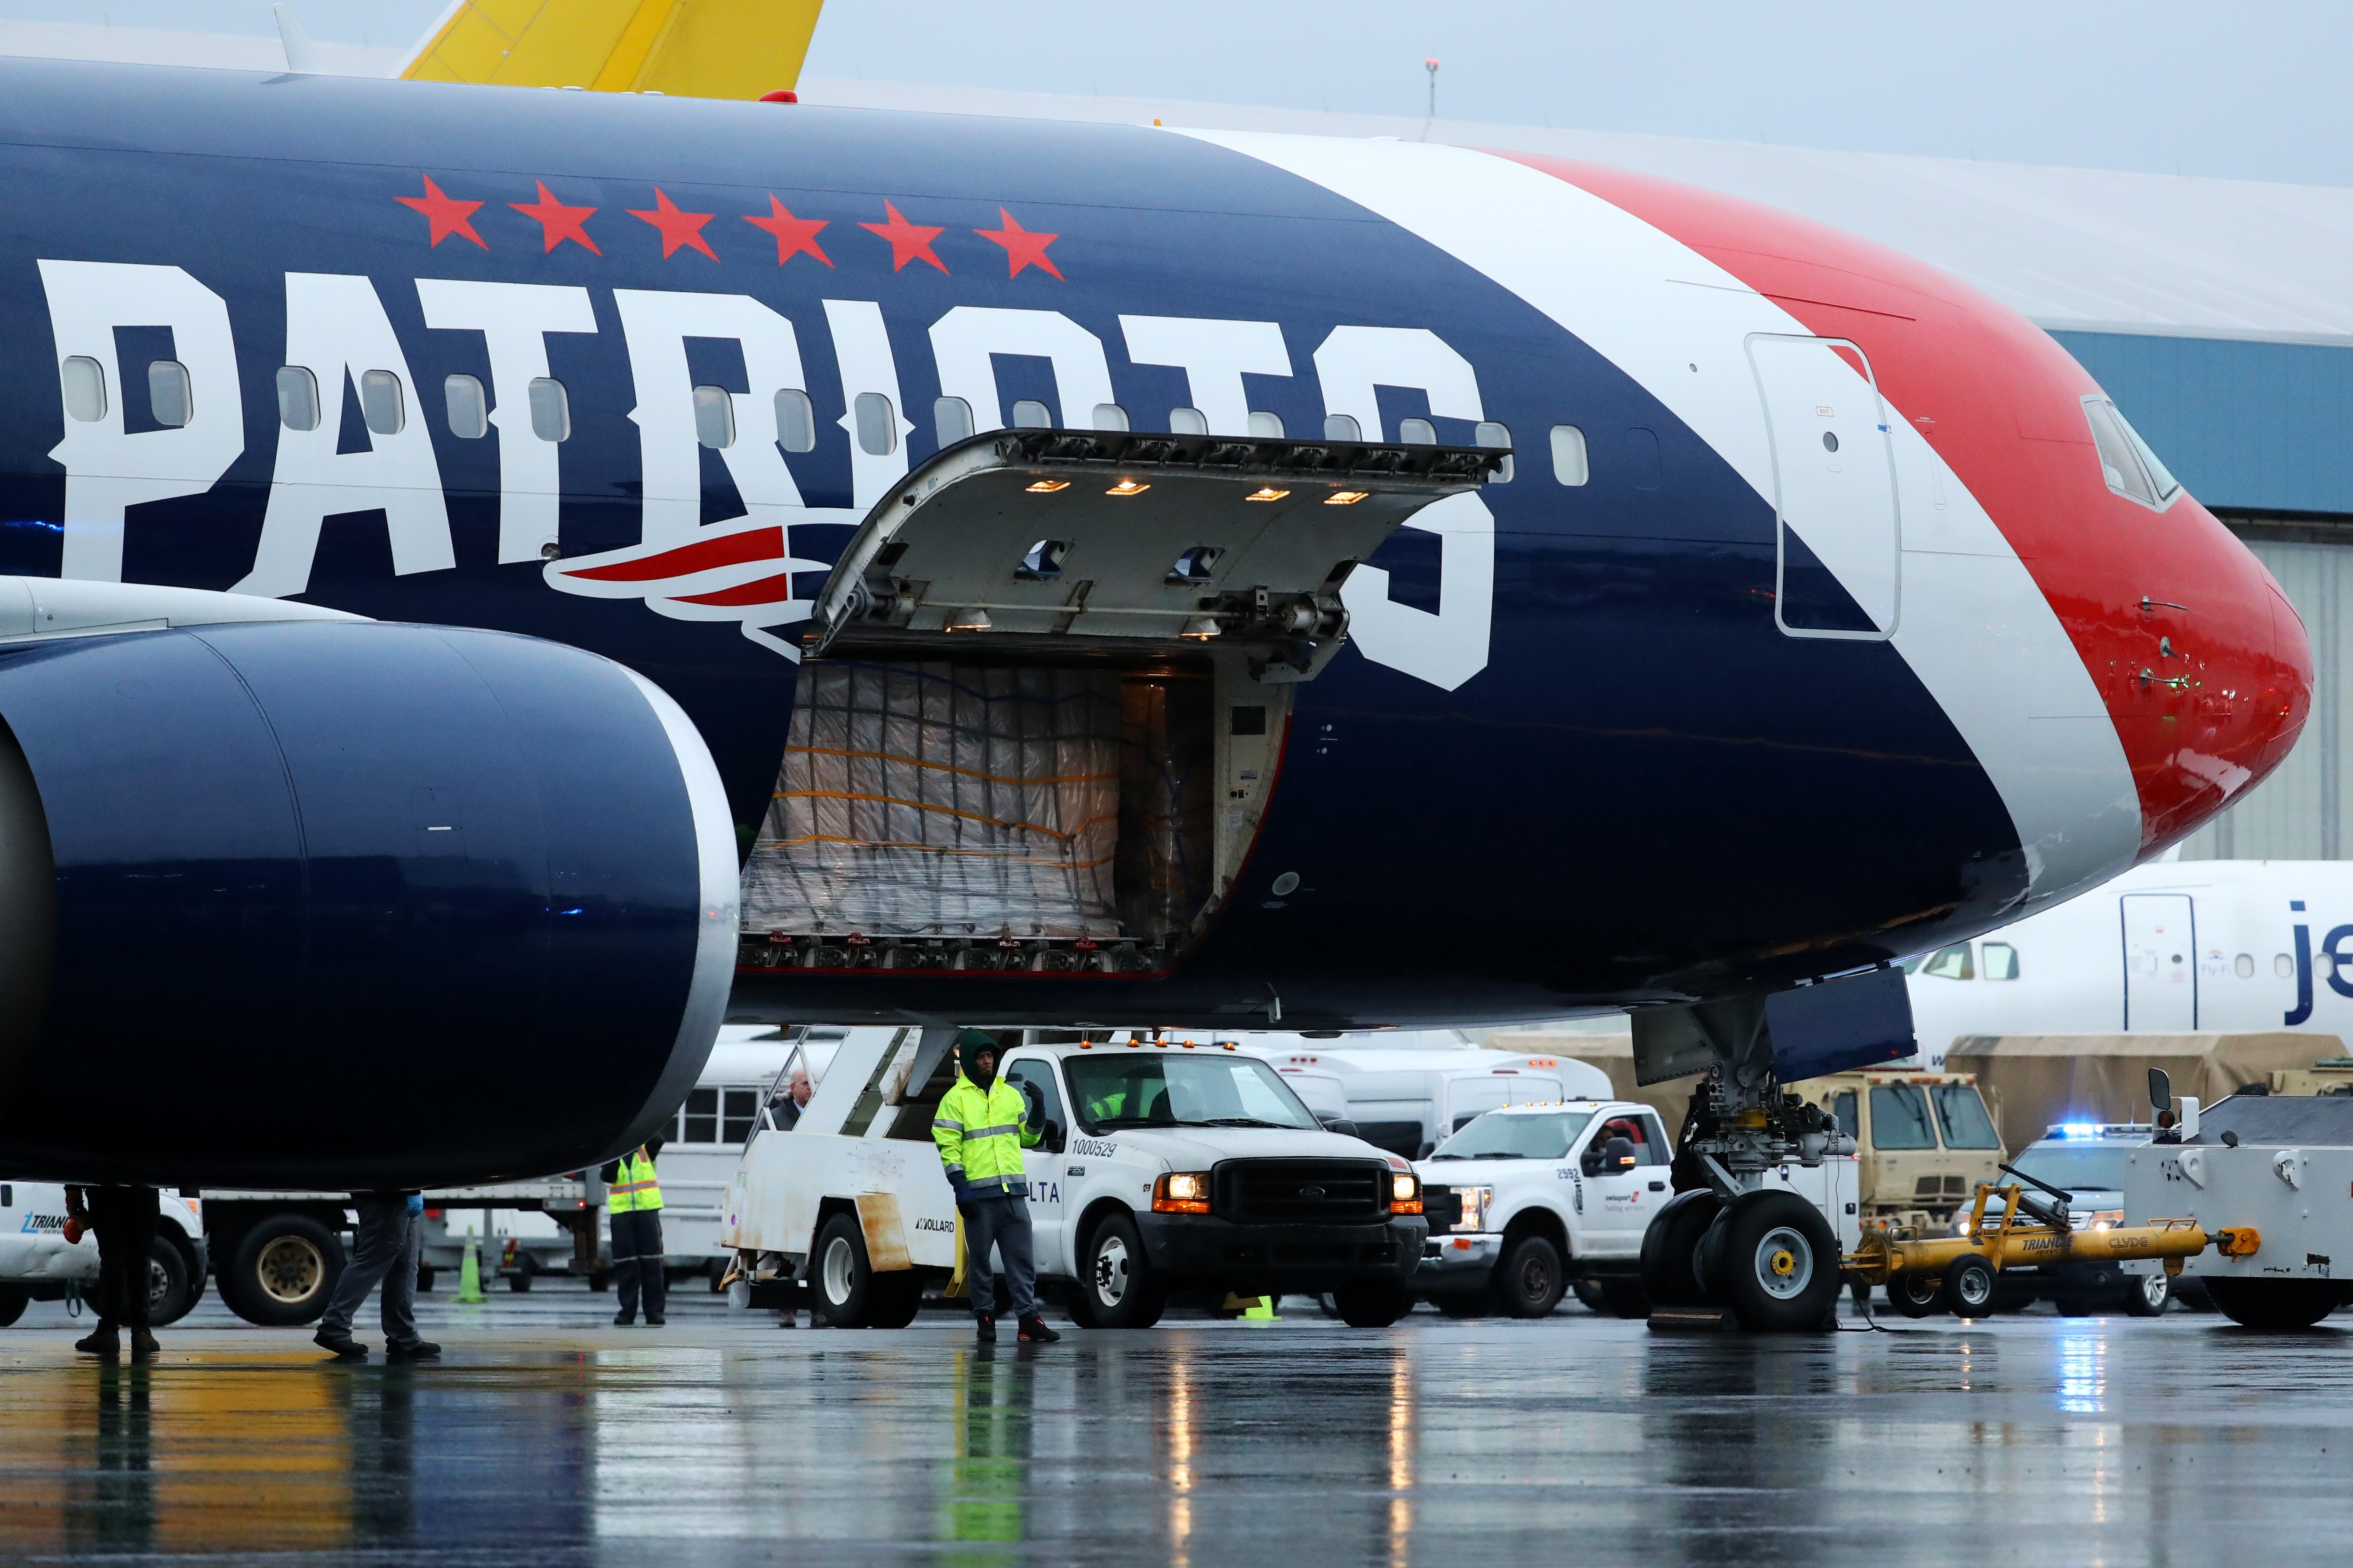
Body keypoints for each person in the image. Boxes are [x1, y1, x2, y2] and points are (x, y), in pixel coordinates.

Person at [932, 1034, 1059, 1344]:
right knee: (980, 1263)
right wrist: (960, 1187)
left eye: (991, 1056)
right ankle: (985, 1319)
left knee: (1022, 1261)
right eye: (981, 1057)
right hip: (979, 1197)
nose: (988, 1062)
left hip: (1013, 1195)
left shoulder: (1010, 1095)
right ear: (970, 1061)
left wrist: (1040, 1111)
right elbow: (948, 1148)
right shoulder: (955, 1099)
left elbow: (1028, 1139)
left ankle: (1028, 1320)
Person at [315, 1191, 439, 1361]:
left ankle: (404, 1336)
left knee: (404, 1261)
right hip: (386, 1189)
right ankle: (334, 1327)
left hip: (395, 1188)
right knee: (374, 1255)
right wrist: (411, 1189)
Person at [67, 1184, 160, 1361]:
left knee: (112, 1260)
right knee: (141, 1259)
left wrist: (74, 1196)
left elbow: (77, 1157)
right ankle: (142, 1332)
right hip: (144, 1185)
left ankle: (108, 1332)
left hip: (106, 1185)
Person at [602, 1140, 666, 1326]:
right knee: (626, 1266)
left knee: (652, 1265)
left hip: (647, 1213)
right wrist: (612, 1159)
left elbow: (659, 1138)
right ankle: (627, 1312)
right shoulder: (613, 1152)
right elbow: (607, 1177)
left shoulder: (646, 1149)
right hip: (622, 1215)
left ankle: (654, 1312)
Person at [776, 1066, 812, 1130]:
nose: (811, 1088)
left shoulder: (826, 1116)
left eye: (814, 1084)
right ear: (793, 1088)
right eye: (806, 1083)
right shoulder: (773, 1119)